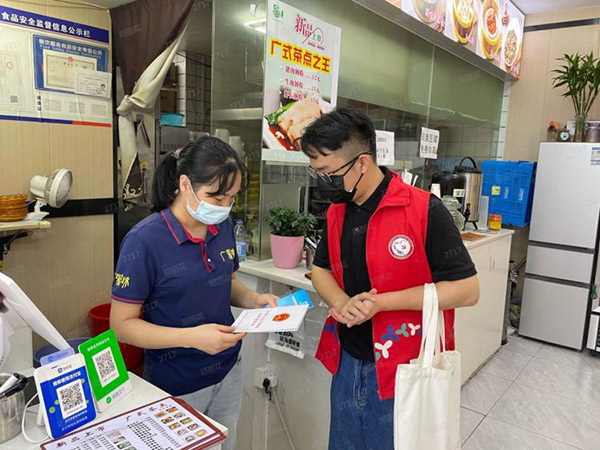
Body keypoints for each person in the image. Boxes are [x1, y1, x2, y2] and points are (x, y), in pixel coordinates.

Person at [300, 108, 480, 450]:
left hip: (404, 369)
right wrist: (342, 302)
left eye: (327, 171)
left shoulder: (422, 209)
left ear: (362, 162)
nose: (322, 181)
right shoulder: (339, 210)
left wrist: (382, 303)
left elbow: (467, 290)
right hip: (347, 362)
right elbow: (321, 269)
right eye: (316, 172)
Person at [110, 137, 277, 450]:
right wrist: (192, 337)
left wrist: (254, 300)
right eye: (216, 198)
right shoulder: (145, 241)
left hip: (227, 371)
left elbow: (224, 283)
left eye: (232, 198)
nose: (225, 207)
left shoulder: (222, 227)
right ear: (185, 184)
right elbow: (122, 325)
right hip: (177, 383)